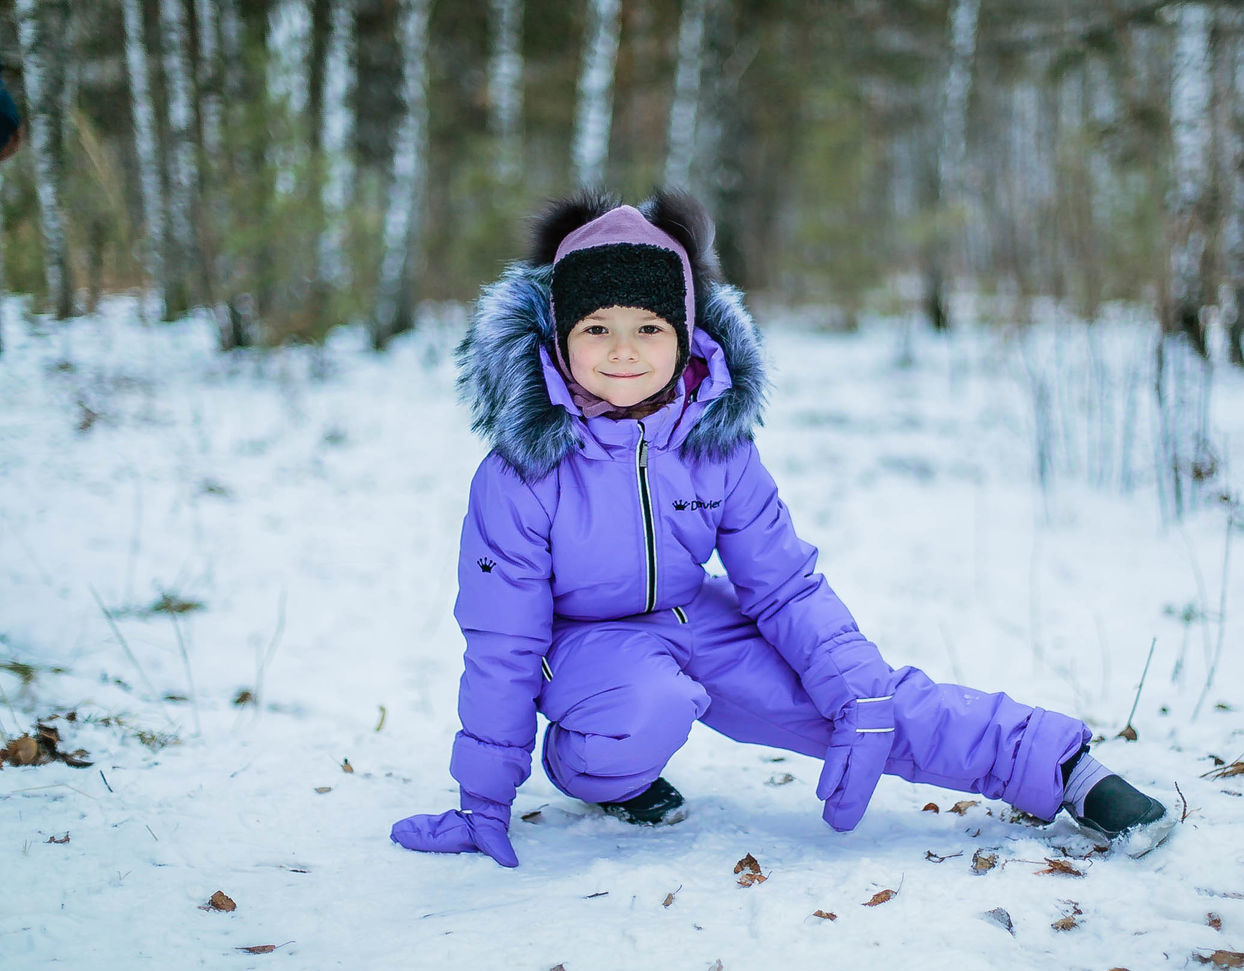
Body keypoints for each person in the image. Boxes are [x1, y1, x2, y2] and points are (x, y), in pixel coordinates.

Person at [390, 189, 1175, 868]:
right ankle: (600, 773)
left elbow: (784, 584)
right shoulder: (522, 473)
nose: (623, 351)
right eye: (596, 328)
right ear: (559, 337)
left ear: (686, 335)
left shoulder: (714, 444)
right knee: (650, 701)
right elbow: (504, 641)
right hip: (582, 648)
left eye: (649, 329)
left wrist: (858, 696)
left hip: (697, 619)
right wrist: (483, 801)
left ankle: (1058, 765)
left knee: (851, 700)